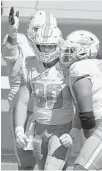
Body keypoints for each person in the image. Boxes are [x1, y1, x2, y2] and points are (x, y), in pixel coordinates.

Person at [14, 23, 78, 170]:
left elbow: (79, 103)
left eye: (51, 46)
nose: (47, 49)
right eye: (43, 45)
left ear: (59, 45)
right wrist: (19, 129)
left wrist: (74, 131)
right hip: (39, 128)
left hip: (63, 128)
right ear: (36, 45)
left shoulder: (67, 66)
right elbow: (23, 102)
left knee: (51, 168)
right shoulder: (29, 65)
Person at [2, 7, 57, 170]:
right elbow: (9, 53)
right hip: (22, 108)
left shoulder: (56, 45)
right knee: (26, 162)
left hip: (48, 109)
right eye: (38, 29)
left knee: (51, 160)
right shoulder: (18, 40)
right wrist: (12, 34)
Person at [60, 30, 102, 170]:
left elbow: (87, 115)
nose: (66, 54)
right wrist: (74, 131)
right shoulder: (95, 65)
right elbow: (80, 106)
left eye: (71, 50)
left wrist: (90, 140)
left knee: (81, 168)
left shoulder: (80, 68)